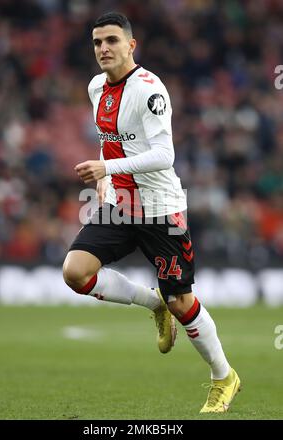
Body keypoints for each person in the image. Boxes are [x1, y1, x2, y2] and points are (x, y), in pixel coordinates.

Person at [63, 11, 241, 413]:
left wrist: (107, 168)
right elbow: (113, 141)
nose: (103, 49)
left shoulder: (149, 90)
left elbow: (165, 154)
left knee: (183, 301)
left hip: (161, 210)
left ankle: (223, 376)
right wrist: (105, 176)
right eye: (96, 43)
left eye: (111, 40)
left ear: (131, 45)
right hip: (119, 205)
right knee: (75, 272)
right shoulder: (96, 88)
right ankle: (152, 304)